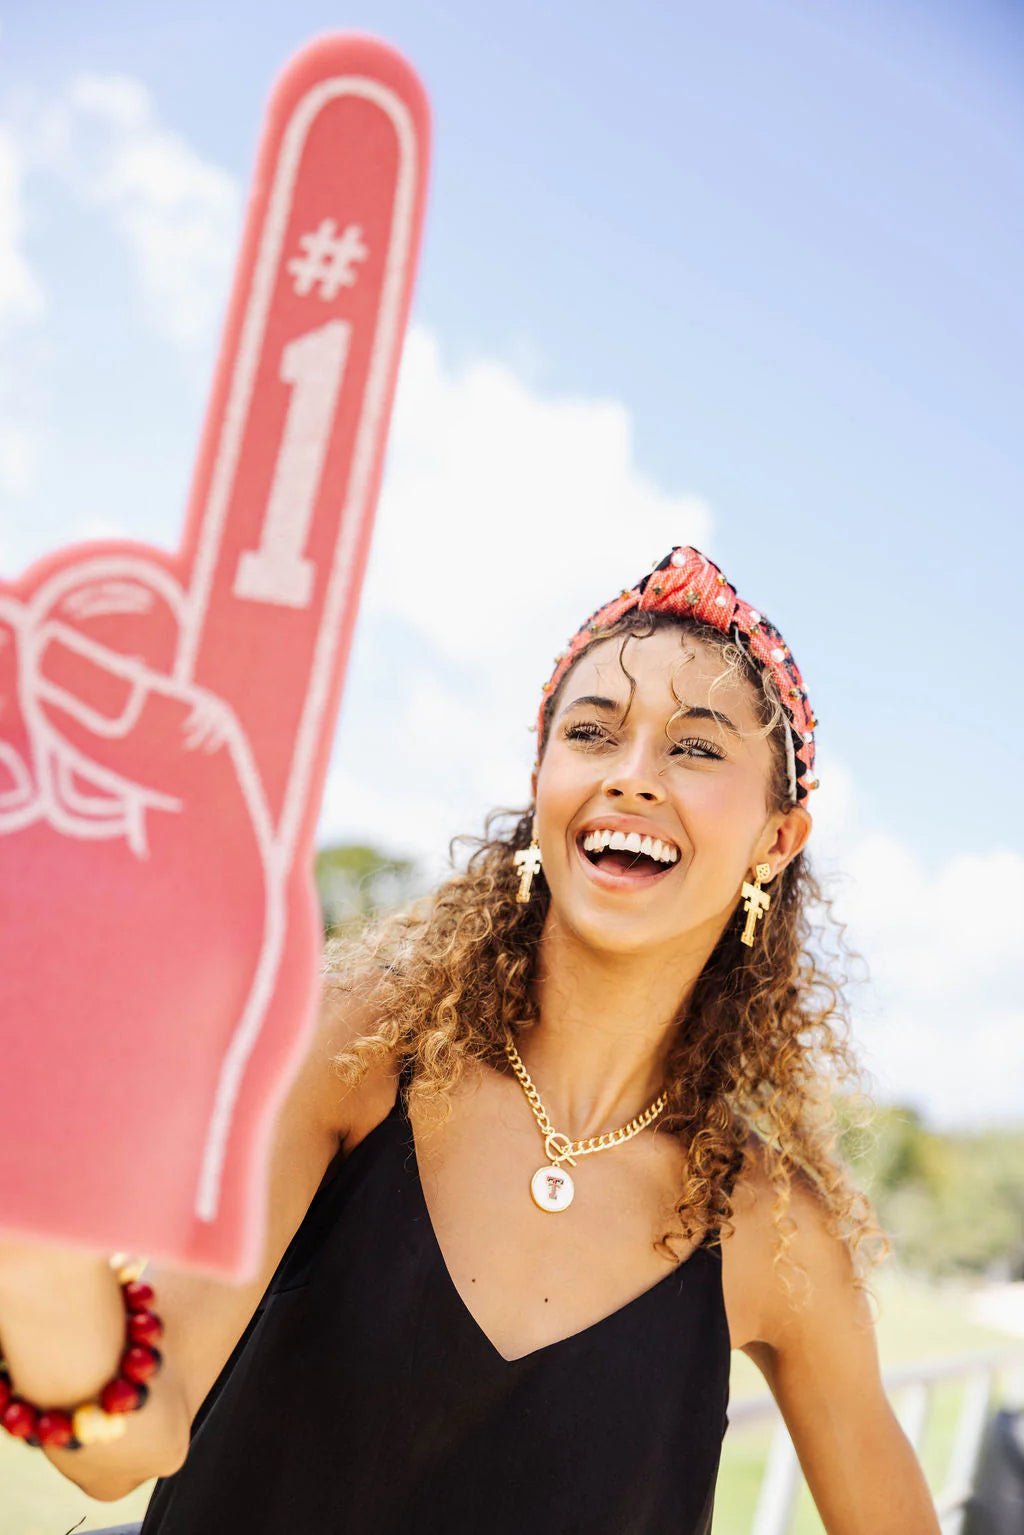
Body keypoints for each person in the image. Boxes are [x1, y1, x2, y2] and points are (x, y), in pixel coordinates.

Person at [0, 546, 941, 1533]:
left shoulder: (771, 1232)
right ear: (541, 779)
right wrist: (30, 1250)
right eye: (591, 732)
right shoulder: (353, 1052)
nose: (631, 776)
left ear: (774, 839)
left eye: (695, 747)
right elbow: (139, 1438)